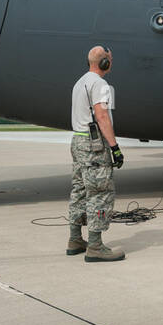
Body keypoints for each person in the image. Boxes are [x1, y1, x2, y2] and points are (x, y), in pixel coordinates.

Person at [69, 46, 125, 263]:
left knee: (79, 189)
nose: (111, 62)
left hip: (78, 140)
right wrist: (114, 147)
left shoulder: (79, 82)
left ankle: (75, 239)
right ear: (104, 63)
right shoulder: (100, 84)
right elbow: (101, 116)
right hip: (94, 144)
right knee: (100, 192)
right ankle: (95, 246)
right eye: (110, 59)